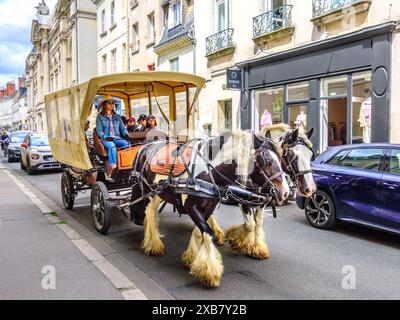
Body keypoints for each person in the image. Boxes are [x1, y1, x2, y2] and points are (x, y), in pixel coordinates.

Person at [96, 95, 130, 175]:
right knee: (112, 146)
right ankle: (114, 166)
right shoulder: (100, 117)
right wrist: (105, 137)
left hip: (117, 138)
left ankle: (127, 164)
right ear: (105, 105)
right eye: (109, 103)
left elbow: (122, 129)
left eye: (113, 103)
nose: (112, 104)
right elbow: (99, 131)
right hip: (106, 139)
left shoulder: (117, 117)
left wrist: (126, 135)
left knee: (127, 144)